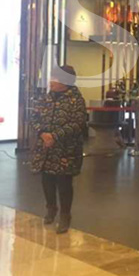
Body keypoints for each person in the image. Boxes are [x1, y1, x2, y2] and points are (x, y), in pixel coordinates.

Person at [30, 65, 88, 233]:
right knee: (46, 179)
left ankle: (65, 215)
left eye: (55, 78)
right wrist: (42, 134)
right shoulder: (46, 98)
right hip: (46, 148)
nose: (51, 82)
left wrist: (54, 136)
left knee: (64, 183)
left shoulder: (76, 100)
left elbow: (77, 124)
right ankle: (51, 208)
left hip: (66, 149)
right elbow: (34, 117)